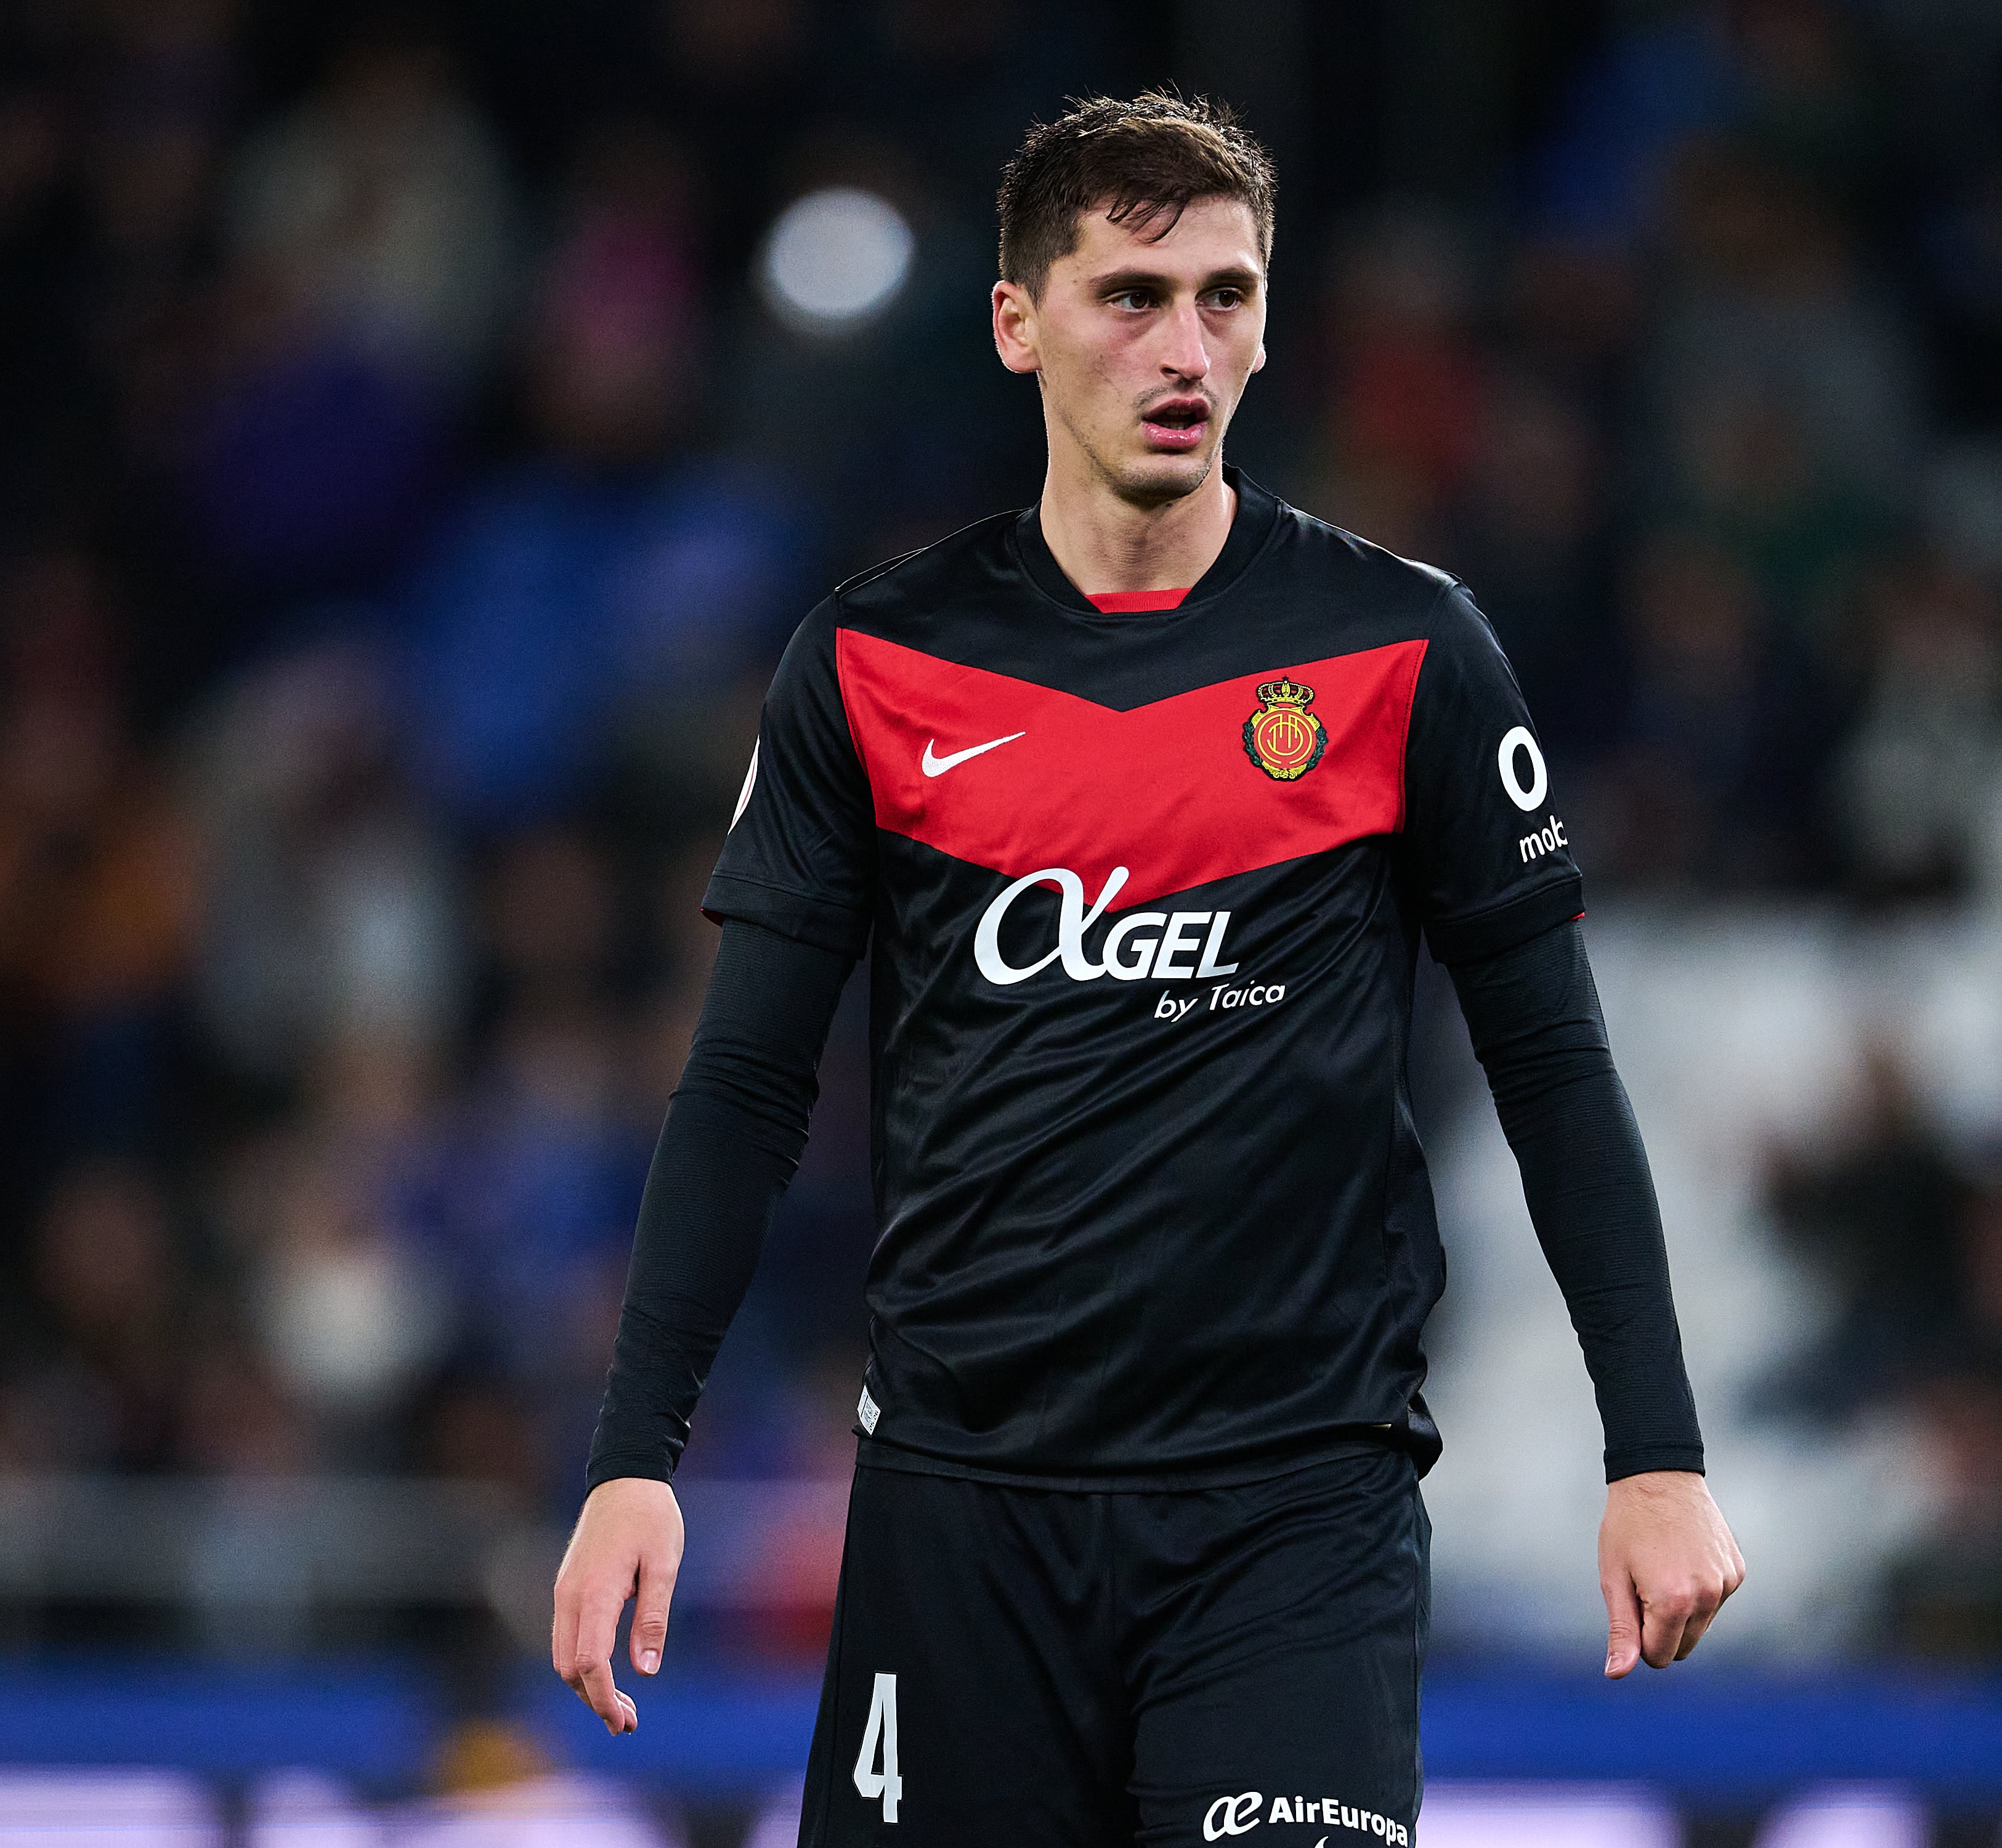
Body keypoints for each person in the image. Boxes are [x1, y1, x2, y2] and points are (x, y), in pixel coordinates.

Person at [550, 91, 1741, 1846]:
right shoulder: (874, 666)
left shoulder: (1401, 649)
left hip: (1293, 1516)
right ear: (1018, 323)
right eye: (1131, 296)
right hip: (960, 1516)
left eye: (1225, 296)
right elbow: (746, 1083)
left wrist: (1654, 1451)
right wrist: (635, 1455)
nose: (1185, 346)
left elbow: (1551, 1063)